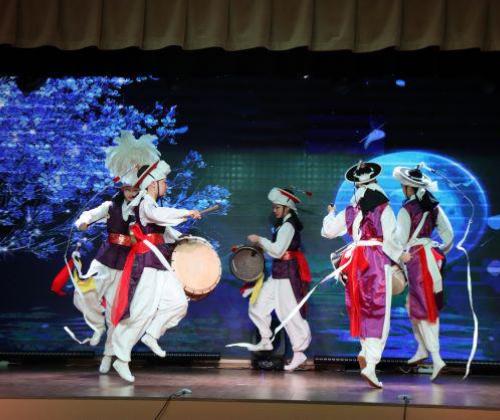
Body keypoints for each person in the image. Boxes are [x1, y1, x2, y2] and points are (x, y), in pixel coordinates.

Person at [111, 159, 201, 382]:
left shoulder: (152, 206)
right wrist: (187, 212)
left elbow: (166, 231)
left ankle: (152, 334)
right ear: (153, 184)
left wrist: (186, 238)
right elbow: (158, 216)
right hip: (146, 262)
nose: (167, 186)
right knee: (141, 312)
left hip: (160, 261)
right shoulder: (144, 204)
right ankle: (121, 358)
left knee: (178, 303)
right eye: (164, 182)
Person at [321, 161, 406, 388]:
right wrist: (402, 256)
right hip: (375, 259)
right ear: (375, 182)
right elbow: (391, 239)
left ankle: (365, 351)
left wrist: (330, 214)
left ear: (356, 186)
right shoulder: (384, 208)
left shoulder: (351, 210)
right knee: (378, 311)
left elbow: (328, 231)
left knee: (362, 307)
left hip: (356, 260)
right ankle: (371, 363)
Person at [393, 165, 454, 380]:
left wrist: (397, 254)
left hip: (417, 261)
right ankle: (421, 348)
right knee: (414, 306)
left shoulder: (407, 209)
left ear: (408, 188)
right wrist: (436, 249)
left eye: (403, 186)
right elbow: (449, 236)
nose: (402, 189)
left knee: (424, 308)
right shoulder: (434, 207)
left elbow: (400, 240)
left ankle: (436, 358)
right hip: (430, 259)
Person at [247, 187, 312, 372]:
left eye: (277, 207)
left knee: (290, 313)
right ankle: (265, 339)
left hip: (288, 275)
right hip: (278, 273)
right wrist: (262, 247)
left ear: (287, 208)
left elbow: (277, 251)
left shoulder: (288, 226)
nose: (274, 210)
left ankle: (299, 353)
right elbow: (277, 251)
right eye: (274, 207)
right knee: (257, 306)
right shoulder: (282, 225)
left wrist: (260, 240)